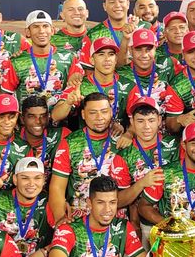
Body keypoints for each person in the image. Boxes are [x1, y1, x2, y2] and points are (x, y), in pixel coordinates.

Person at [49, 92, 132, 222]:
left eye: (104, 112)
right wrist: (61, 218)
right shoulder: (70, 142)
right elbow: (57, 187)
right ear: (83, 114)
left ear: (111, 112)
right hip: (79, 219)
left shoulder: (122, 143)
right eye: (93, 113)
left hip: (115, 220)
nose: (99, 118)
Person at [117, 97, 180, 246]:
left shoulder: (174, 145)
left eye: (151, 120)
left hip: (177, 221)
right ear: (132, 122)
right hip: (144, 224)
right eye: (140, 121)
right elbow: (118, 200)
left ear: (159, 120)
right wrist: (141, 183)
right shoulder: (124, 155)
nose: (146, 126)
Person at [1, 10, 77, 109]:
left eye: (45, 26)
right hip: (28, 118)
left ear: (52, 30)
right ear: (28, 32)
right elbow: (6, 96)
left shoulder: (70, 58)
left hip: (61, 117)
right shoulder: (16, 61)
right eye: (36, 27)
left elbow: (74, 92)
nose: (41, 31)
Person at [53, 37, 130, 127]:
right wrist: (68, 103)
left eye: (111, 54)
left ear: (116, 59)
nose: (107, 59)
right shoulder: (79, 84)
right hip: (86, 136)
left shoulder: (129, 86)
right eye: (101, 54)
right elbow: (55, 116)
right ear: (92, 60)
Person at [120, 28, 183, 133]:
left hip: (167, 133)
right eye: (138, 49)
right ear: (130, 50)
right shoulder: (122, 74)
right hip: (135, 134)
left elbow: (189, 78)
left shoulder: (169, 64)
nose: (144, 55)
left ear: (155, 49)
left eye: (149, 49)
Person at [11, 95, 70, 183]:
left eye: (43, 116)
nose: (38, 121)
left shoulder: (62, 135)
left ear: (48, 117)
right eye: (31, 116)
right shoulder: (12, 140)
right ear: (22, 119)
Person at [84, 0, 143, 68]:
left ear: (128, 4)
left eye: (121, 1)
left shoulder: (144, 28)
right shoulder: (93, 34)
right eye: (112, 2)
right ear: (104, 6)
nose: (117, 5)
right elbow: (88, 70)